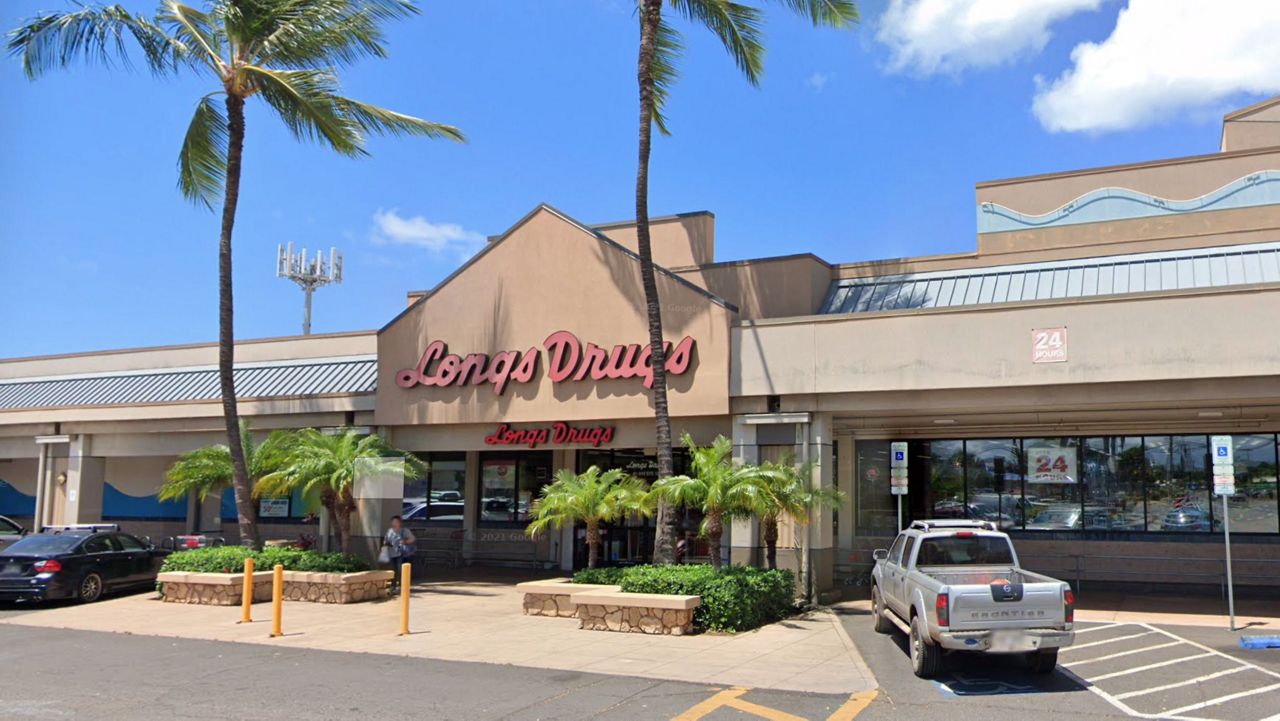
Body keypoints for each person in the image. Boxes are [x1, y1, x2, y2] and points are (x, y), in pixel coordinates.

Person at [383, 515, 416, 591]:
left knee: (400, 570)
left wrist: (405, 541)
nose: (394, 523)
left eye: (396, 522)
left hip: (401, 553)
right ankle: (393, 585)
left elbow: (413, 539)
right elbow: (386, 540)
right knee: (393, 570)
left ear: (400, 523)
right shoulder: (389, 531)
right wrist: (386, 543)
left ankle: (401, 586)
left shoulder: (404, 530)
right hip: (392, 553)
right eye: (393, 522)